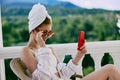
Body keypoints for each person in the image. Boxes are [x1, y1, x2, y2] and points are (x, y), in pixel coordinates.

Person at [20, 3, 120, 80]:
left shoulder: (49, 50)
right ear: (33, 30)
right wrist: (42, 46)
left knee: (111, 70)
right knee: (110, 70)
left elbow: (65, 74)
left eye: (49, 32)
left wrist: (79, 55)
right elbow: (42, 77)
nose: (47, 36)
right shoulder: (27, 51)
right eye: (45, 32)